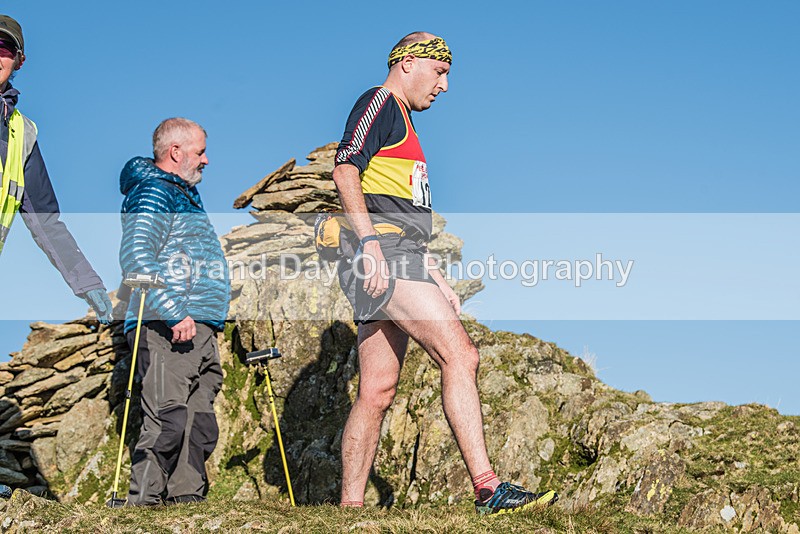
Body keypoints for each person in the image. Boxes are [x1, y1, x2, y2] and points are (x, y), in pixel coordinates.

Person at [332, 32, 558, 515]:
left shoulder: (405, 123)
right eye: (440, 72)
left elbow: (399, 203)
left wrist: (433, 271)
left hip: (399, 253)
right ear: (407, 63)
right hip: (384, 255)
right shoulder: (381, 101)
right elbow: (345, 169)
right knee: (462, 355)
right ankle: (487, 488)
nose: (446, 85)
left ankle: (348, 510)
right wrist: (371, 245)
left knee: (377, 389)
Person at [119, 118, 229, 506]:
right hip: (167, 326)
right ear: (175, 152)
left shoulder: (182, 194)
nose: (206, 160)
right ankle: (142, 506)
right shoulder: (154, 192)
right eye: (200, 151)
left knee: (199, 420)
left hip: (198, 325)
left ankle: (187, 501)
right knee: (168, 418)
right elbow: (135, 257)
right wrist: (172, 312)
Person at [0, 14, 112, 322]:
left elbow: (46, 222)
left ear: (19, 61)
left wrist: (87, 282)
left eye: (4, 47)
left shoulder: (22, 134)